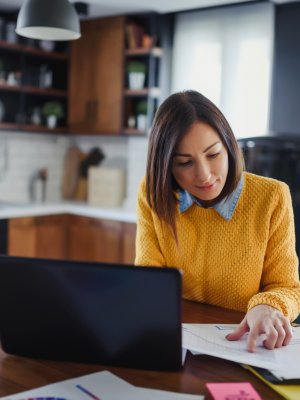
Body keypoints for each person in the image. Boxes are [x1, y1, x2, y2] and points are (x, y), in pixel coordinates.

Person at [135, 90, 300, 352]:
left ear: (229, 146)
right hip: (177, 339)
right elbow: (150, 278)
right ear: (166, 166)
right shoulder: (154, 194)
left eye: (213, 155)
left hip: (246, 344)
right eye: (185, 163)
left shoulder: (272, 196)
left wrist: (268, 306)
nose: (204, 175)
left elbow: (287, 288)